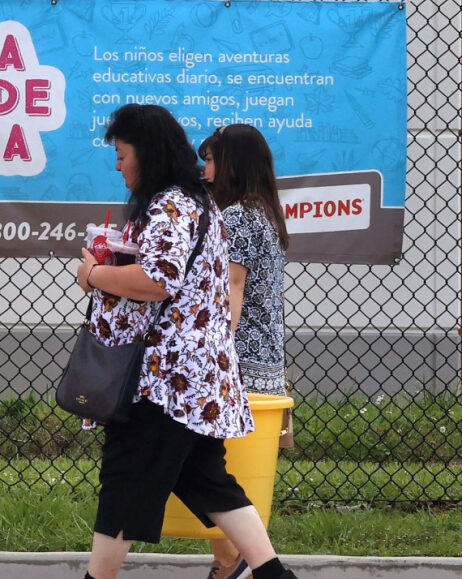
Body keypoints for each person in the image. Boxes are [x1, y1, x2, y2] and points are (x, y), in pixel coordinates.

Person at [75, 104, 297, 579]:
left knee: (124, 482)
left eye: (121, 153)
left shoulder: (172, 203)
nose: (117, 164)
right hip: (193, 379)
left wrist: (96, 274)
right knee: (208, 483)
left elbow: (158, 280)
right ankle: (275, 574)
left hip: (165, 381)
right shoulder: (194, 202)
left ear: (146, 153)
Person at [198, 124, 290, 579]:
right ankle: (232, 561)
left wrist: (209, 349)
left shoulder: (235, 217)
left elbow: (230, 291)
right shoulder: (266, 213)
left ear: (231, 164)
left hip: (238, 365)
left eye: (212, 160)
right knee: (228, 471)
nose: (205, 168)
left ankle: (232, 562)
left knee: (214, 469)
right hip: (267, 364)